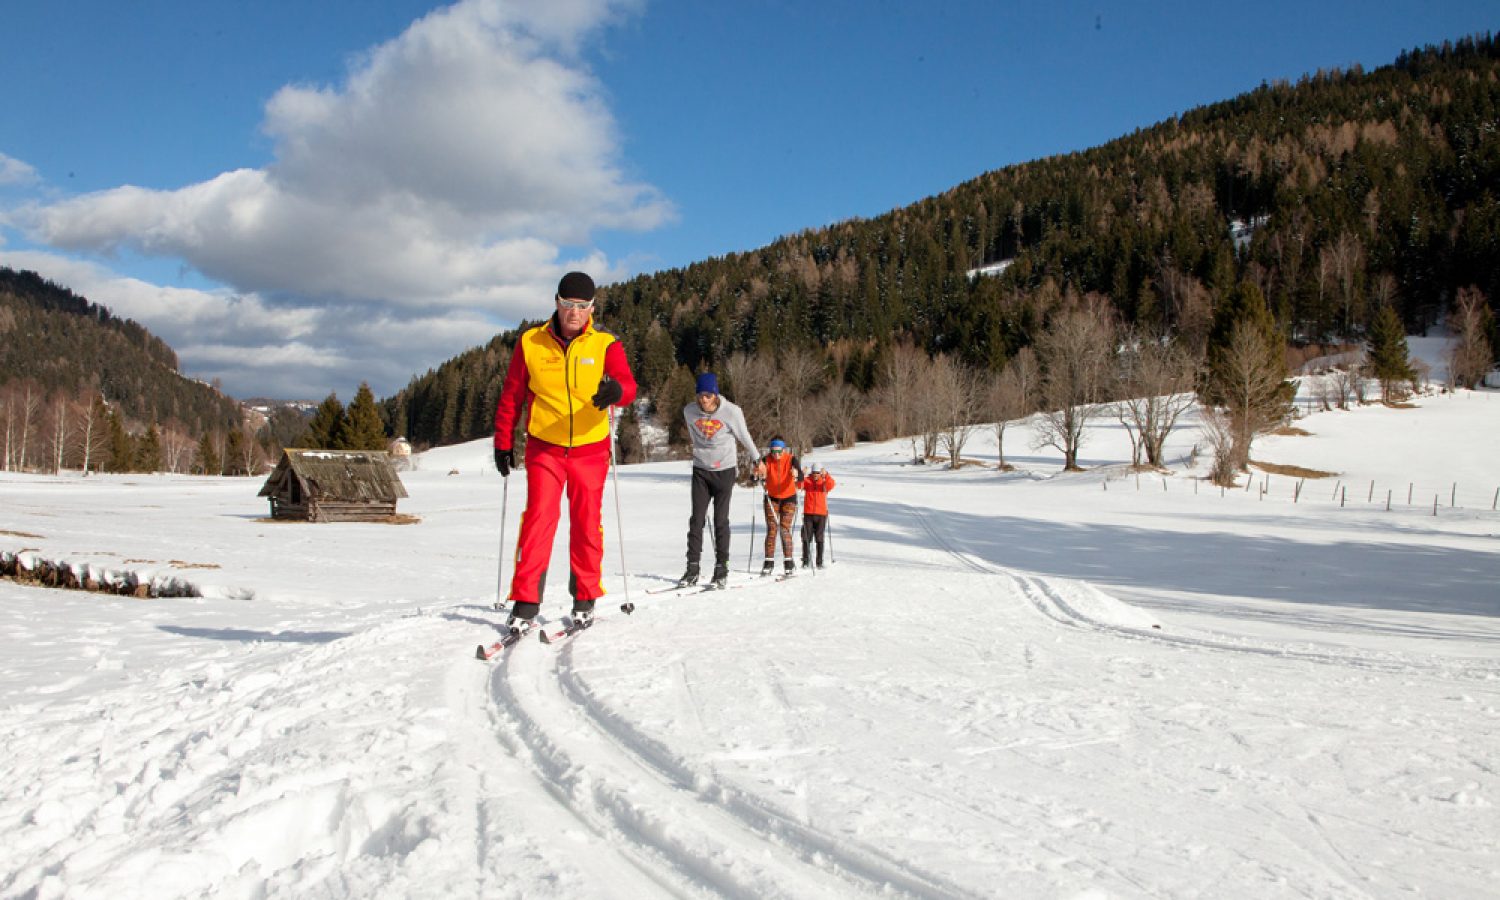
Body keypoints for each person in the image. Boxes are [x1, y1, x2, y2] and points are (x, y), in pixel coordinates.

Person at [492, 271, 637, 630]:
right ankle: (526, 603)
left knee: (586, 523)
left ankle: (585, 599)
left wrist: (616, 392)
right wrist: (503, 441)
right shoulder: (530, 342)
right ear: (556, 302)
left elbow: (629, 385)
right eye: (568, 304)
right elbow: (512, 395)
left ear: (592, 308)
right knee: (540, 519)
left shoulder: (605, 344)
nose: (575, 312)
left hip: (590, 450)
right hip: (545, 449)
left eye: (582, 306)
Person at [680, 372, 762, 589]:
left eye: (708, 396)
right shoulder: (689, 411)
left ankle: (721, 567)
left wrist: (757, 460)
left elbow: (744, 436)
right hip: (701, 470)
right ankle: (692, 567)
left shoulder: (732, 412)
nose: (703, 400)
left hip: (725, 471)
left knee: (720, 520)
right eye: (700, 396)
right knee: (696, 519)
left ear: (715, 395)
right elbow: (693, 435)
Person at [758, 437, 803, 576]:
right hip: (772, 498)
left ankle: (788, 562)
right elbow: (756, 474)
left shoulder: (791, 459)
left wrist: (796, 474)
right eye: (773, 451)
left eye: (779, 451)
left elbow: (800, 476)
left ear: (784, 450)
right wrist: (756, 474)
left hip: (789, 498)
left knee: (784, 528)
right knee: (772, 529)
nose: (776, 454)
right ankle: (768, 562)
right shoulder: (766, 460)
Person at [799, 463, 836, 568]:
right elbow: (798, 485)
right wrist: (802, 474)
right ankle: (805, 561)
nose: (815, 475)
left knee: (819, 539)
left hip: (821, 514)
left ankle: (819, 562)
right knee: (806, 537)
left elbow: (831, 484)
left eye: (818, 473)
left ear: (820, 473)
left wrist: (826, 475)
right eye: (814, 473)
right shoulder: (807, 481)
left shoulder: (824, 483)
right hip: (808, 514)